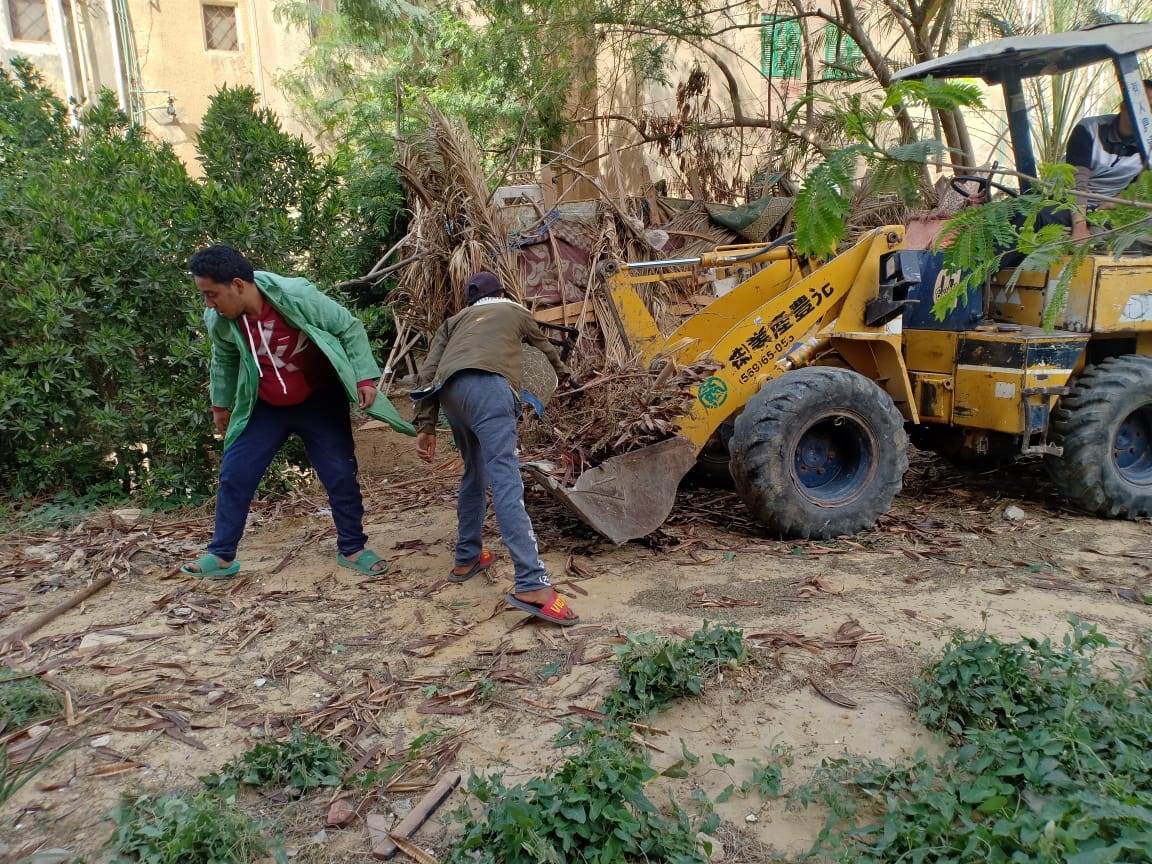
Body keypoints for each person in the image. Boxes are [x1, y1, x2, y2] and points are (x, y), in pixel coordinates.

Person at [181, 244, 414, 579]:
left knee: (339, 473)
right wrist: (220, 404)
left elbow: (348, 327)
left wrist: (364, 377)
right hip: (264, 405)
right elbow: (225, 358)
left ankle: (352, 548)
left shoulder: (294, 295)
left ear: (238, 285)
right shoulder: (219, 320)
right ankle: (221, 556)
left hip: (319, 399)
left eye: (211, 294)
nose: (208, 303)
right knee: (235, 473)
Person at [412, 271, 581, 627]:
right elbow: (545, 348)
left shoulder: (454, 322)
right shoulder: (514, 310)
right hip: (489, 390)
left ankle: (467, 557)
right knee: (506, 480)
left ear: (470, 301)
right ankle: (532, 584)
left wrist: (425, 425)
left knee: (475, 472)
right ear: (502, 292)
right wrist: (566, 374)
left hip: (451, 394)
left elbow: (428, 372)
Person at [1064, 79, 1152, 239]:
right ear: (1124, 105)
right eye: (1144, 105)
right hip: (1071, 204)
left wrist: (1116, 202)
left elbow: (1139, 188)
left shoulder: (1148, 144)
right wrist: (1080, 229)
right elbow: (1077, 184)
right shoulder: (1089, 129)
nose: (1147, 113)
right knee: (1043, 217)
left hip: (1110, 208)